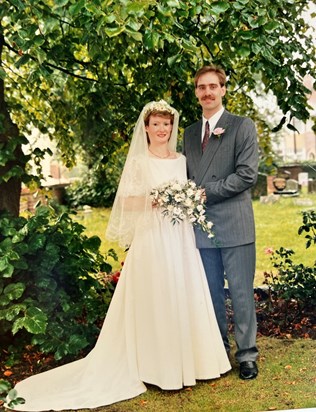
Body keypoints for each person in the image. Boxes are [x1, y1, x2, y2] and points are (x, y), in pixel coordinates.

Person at [9, 100, 230, 411]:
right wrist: (157, 199)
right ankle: (157, 367)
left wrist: (184, 200)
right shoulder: (140, 162)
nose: (162, 129)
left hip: (179, 236)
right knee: (157, 295)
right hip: (153, 236)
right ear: (147, 128)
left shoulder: (180, 160)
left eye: (166, 124)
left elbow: (188, 196)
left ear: (171, 127)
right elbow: (127, 202)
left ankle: (192, 363)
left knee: (182, 292)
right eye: (156, 124)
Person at [183, 66, 259, 380]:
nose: (207, 93)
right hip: (200, 227)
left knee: (240, 293)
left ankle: (247, 356)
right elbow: (185, 177)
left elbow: (246, 175)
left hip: (235, 223)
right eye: (201, 87)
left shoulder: (242, 126)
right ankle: (218, 353)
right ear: (197, 93)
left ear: (224, 89)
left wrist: (203, 193)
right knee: (210, 293)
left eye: (213, 86)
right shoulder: (188, 133)